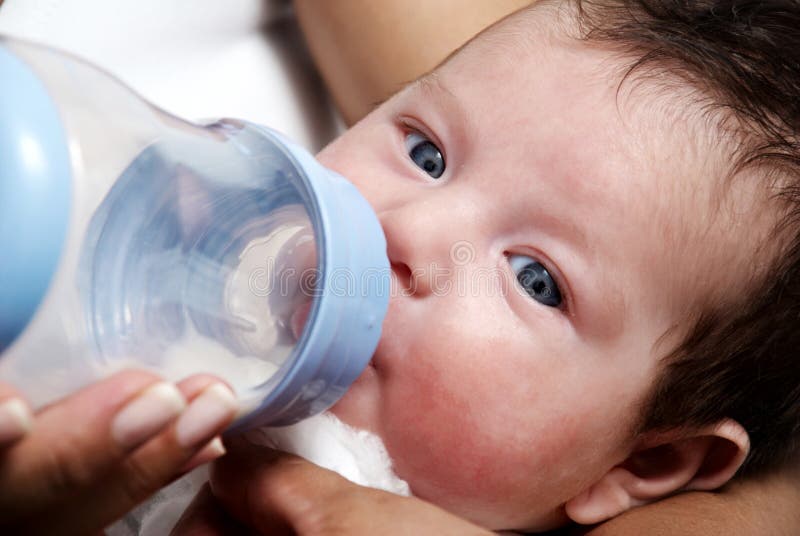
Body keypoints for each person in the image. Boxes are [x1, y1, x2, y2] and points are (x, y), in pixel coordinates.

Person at [2, 0, 799, 534]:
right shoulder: (165, 301)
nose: (405, 230)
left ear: (644, 460)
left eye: (536, 280)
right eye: (426, 153)